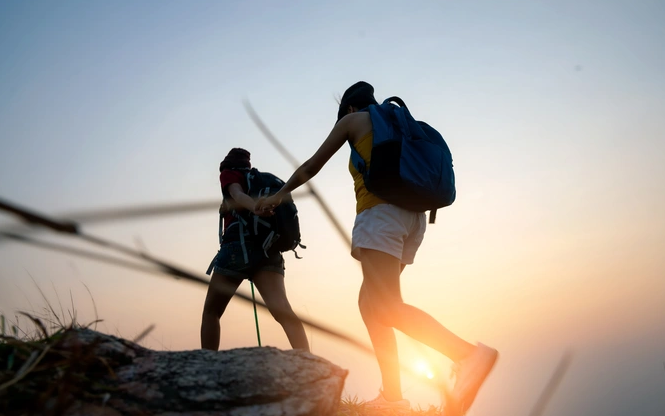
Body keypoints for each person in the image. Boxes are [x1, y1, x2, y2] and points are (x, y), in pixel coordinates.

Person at [257, 82, 497, 415]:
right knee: (371, 304)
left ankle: (469, 356)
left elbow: (312, 166)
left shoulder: (353, 121)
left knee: (384, 306)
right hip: (413, 220)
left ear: (350, 109)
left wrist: (275, 196)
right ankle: (393, 398)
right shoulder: (401, 122)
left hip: (380, 216)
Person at [200, 147, 309, 352]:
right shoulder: (259, 181)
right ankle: (309, 361)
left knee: (212, 311)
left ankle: (208, 366)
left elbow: (237, 194)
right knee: (283, 311)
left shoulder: (230, 174)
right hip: (268, 250)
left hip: (237, 248)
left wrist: (253, 207)